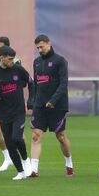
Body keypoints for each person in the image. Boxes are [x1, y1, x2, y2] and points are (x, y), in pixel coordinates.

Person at [0, 46, 33, 180]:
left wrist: (31, 100)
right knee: (10, 144)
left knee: (17, 138)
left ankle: (25, 160)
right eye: (10, 59)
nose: (12, 61)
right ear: (2, 58)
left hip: (18, 112)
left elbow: (31, 83)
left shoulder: (18, 69)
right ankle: (20, 172)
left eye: (13, 58)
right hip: (3, 113)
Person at [30, 34, 74, 177]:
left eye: (41, 46)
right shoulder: (36, 62)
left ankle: (69, 164)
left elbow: (63, 84)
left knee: (60, 136)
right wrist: (33, 100)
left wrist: (53, 100)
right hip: (40, 106)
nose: (39, 49)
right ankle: (33, 170)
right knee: (36, 136)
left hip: (57, 105)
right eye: (37, 47)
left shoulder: (60, 61)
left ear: (49, 43)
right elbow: (36, 84)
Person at [0, 36, 26, 172]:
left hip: (14, 103)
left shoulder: (16, 62)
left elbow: (22, 81)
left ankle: (24, 159)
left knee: (18, 135)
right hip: (0, 101)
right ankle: (7, 158)